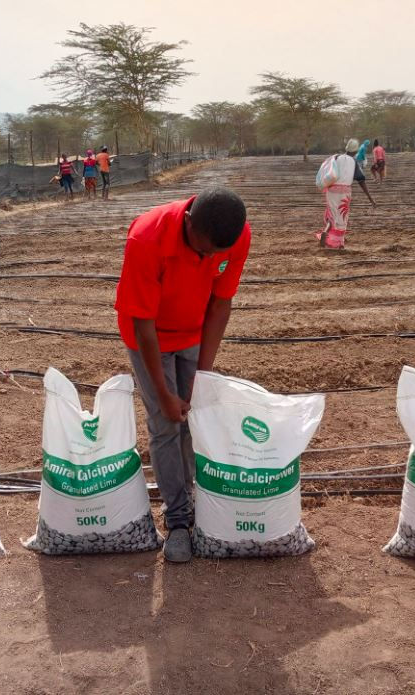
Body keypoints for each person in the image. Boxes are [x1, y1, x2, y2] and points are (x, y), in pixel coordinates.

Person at [114, 187, 251, 563]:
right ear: (188, 222)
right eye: (203, 250)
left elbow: (221, 303)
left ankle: (194, 499)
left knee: (193, 417)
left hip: (193, 331)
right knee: (165, 423)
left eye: (215, 254)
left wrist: (201, 380)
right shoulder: (147, 237)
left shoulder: (234, 235)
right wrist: (163, 393)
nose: (208, 258)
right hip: (149, 336)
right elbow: (143, 324)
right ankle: (177, 521)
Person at [317, 138, 377, 249]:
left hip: (332, 190)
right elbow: (361, 181)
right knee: (342, 217)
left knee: (332, 214)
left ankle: (326, 231)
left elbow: (327, 170)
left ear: (347, 148)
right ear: (355, 151)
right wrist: (370, 198)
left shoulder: (336, 157)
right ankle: (339, 242)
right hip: (345, 192)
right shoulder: (353, 162)